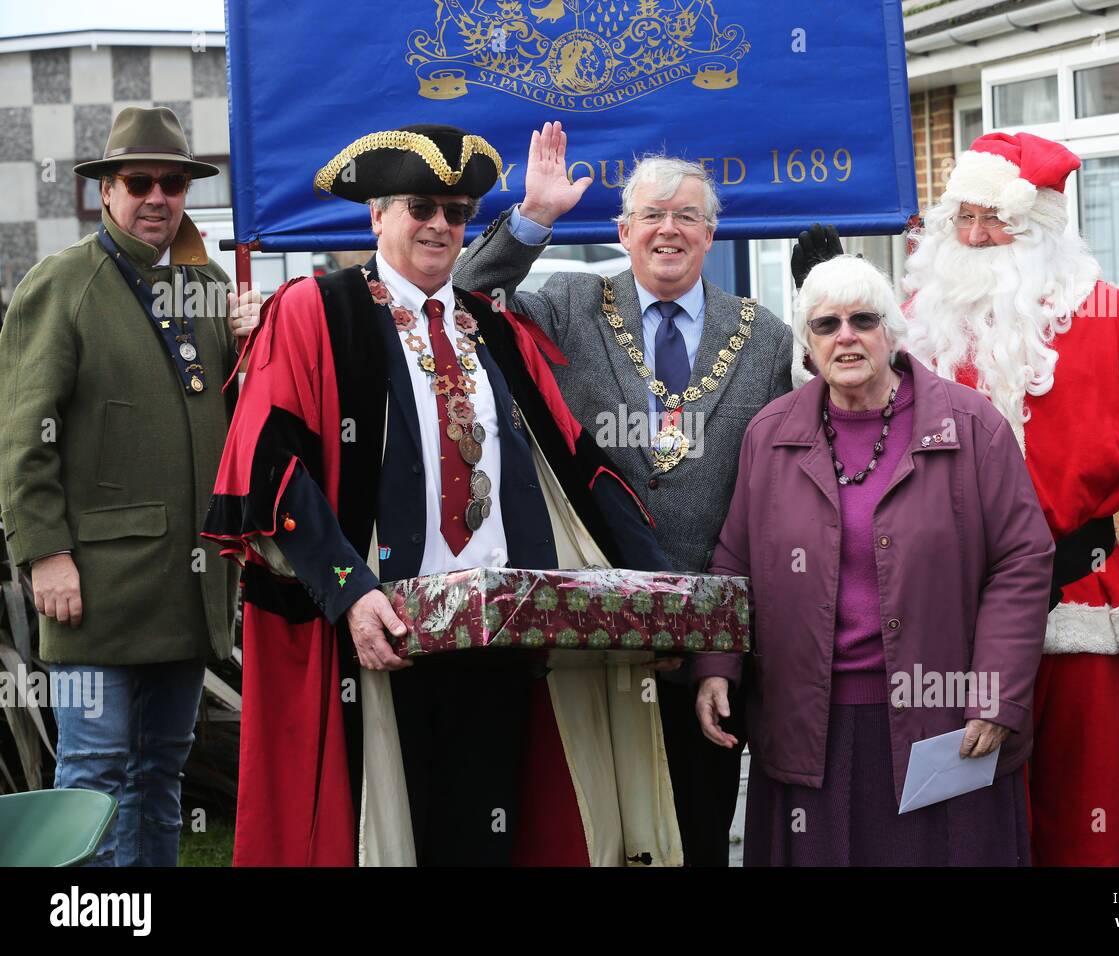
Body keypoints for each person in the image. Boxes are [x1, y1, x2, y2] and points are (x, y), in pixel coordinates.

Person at [202, 123, 678, 867]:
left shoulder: (493, 327)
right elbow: (270, 464)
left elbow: (581, 467)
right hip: (381, 635)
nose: (439, 225)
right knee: (392, 837)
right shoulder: (315, 312)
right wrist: (349, 592)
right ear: (378, 215)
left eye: (456, 212)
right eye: (420, 205)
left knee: (492, 834)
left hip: (503, 634)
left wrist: (658, 589)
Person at [800, 131, 1119, 866]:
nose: (973, 235)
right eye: (961, 218)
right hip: (950, 614)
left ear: (1044, 225)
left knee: (1086, 816)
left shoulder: (1113, 321)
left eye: (993, 219)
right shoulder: (911, 325)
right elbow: (837, 423)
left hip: (1082, 604)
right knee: (959, 822)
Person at [455, 122, 793, 865]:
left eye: (687, 217)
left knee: (700, 825)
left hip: (709, 630)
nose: (669, 230)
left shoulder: (765, 336)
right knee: (599, 830)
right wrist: (533, 217)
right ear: (623, 229)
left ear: (712, 234)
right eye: (652, 215)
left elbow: (779, 489)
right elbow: (466, 296)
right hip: (593, 622)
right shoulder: (572, 301)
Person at [691, 255, 1052, 865]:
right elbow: (734, 561)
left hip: (941, 716)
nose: (846, 337)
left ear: (891, 332)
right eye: (826, 325)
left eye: (863, 319)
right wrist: (716, 666)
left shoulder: (970, 426)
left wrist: (995, 696)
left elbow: (1022, 561)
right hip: (811, 722)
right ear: (807, 345)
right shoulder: (770, 434)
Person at [0, 106, 260, 866]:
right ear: (106, 190)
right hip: (96, 587)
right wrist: (44, 553)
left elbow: (238, 424)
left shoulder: (207, 287)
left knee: (161, 771)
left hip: (186, 585)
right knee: (94, 776)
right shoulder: (62, 283)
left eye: (173, 182)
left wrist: (251, 345)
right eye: (138, 181)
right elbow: (23, 436)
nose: (157, 196)